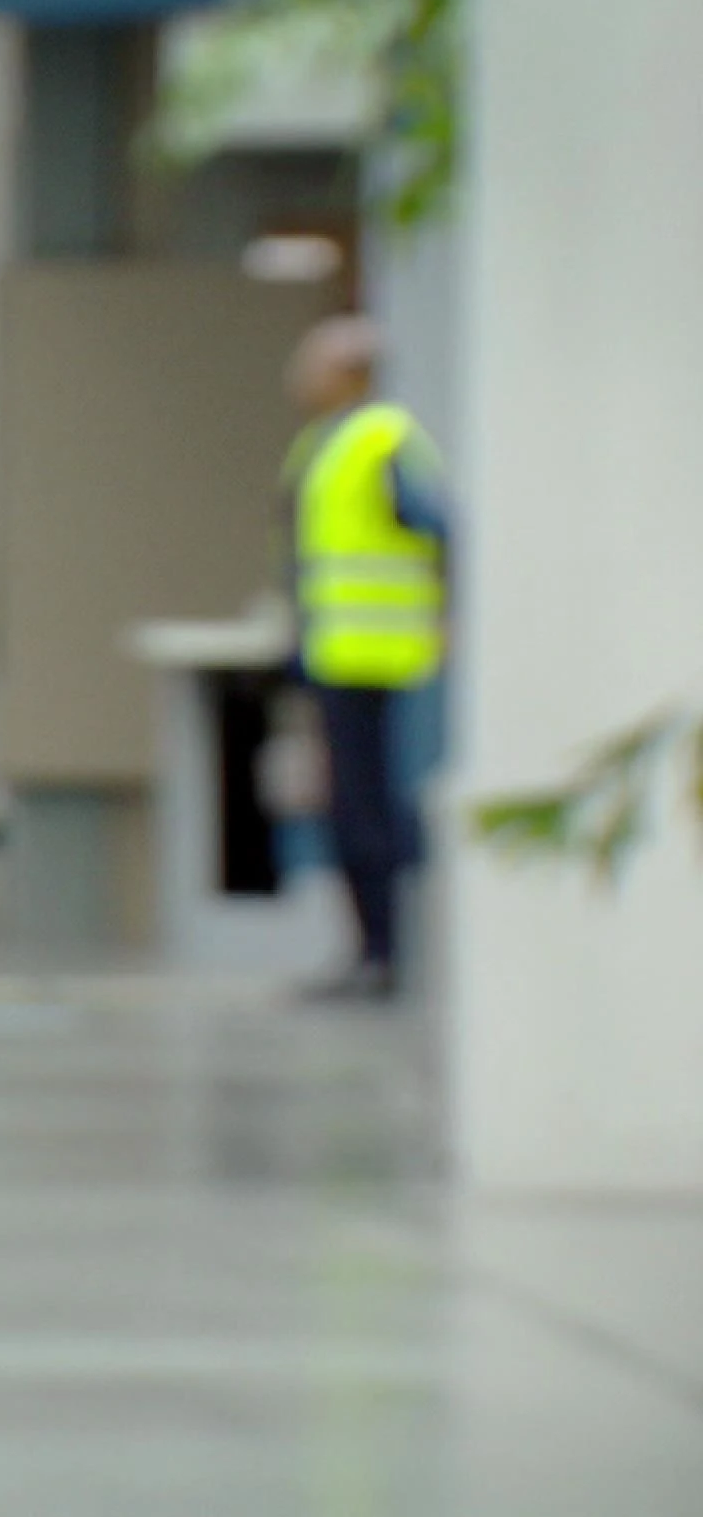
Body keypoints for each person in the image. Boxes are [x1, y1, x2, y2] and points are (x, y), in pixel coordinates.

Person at [280, 314, 449, 1002]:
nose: (298, 377)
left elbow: (436, 524)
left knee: (374, 813)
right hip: (339, 651)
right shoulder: (325, 443)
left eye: (312, 364)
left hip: (384, 657)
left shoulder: (380, 440)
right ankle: (367, 951)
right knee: (350, 811)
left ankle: (385, 955)